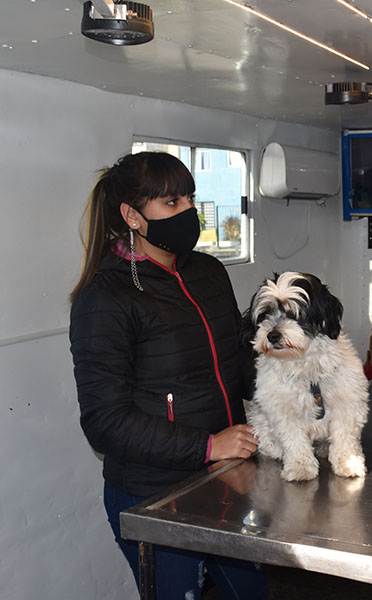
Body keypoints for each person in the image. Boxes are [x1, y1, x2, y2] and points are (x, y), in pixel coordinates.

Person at [69, 151, 268, 599]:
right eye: (171, 203)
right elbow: (104, 422)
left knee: (251, 591)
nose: (189, 213)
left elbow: (236, 361)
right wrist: (208, 444)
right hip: (155, 493)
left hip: (224, 477)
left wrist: (294, 395)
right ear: (132, 216)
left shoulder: (208, 272)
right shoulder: (107, 297)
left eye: (191, 200)